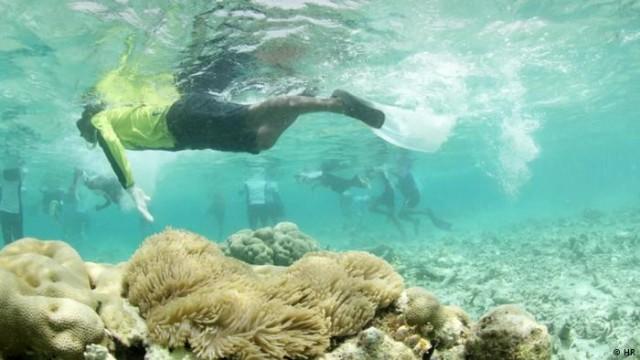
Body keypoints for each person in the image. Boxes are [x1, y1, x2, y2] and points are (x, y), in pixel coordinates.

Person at [77, 88, 384, 222]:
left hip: (183, 116)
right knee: (261, 142)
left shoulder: (99, 120)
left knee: (252, 116)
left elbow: (110, 144)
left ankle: (338, 104)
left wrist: (130, 186)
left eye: (84, 132)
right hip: (187, 135)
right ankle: (302, 98)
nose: (87, 137)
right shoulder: (119, 120)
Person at [395, 160, 452, 234]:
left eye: (401, 168)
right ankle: (416, 221)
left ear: (406, 168)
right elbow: (404, 186)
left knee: (403, 212)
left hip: (412, 196)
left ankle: (426, 212)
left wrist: (401, 185)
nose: (399, 169)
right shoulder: (403, 176)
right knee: (401, 215)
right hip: (409, 197)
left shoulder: (407, 175)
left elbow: (410, 186)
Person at [368, 167, 406, 237]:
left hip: (388, 195)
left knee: (392, 216)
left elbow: (385, 178)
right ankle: (403, 233)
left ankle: (403, 233)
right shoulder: (384, 177)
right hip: (387, 194)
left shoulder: (383, 175)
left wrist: (373, 171)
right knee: (372, 208)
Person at [0, 164, 24, 245]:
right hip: (15, 212)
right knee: (18, 238)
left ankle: (10, 255)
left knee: (7, 239)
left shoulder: (3, 180)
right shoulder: (17, 182)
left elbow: (2, 171)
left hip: (4, 212)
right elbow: (22, 172)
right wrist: (20, 165)